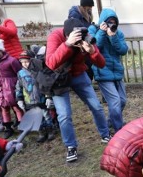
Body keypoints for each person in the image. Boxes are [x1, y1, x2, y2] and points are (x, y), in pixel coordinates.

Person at [45, 18, 111, 162]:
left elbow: (101, 63)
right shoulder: (56, 37)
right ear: (66, 34)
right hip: (60, 78)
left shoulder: (85, 36)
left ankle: (105, 134)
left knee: (97, 106)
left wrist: (92, 51)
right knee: (64, 115)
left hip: (78, 74)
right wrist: (67, 44)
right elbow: (50, 63)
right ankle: (71, 146)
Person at [92, 8, 128, 133]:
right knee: (115, 101)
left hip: (117, 72)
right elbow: (95, 48)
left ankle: (111, 121)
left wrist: (113, 37)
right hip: (103, 72)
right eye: (109, 22)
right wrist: (102, 33)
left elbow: (123, 50)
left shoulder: (118, 34)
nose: (111, 25)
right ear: (103, 22)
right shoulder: (95, 30)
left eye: (114, 22)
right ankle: (119, 130)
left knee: (122, 100)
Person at [0, 38, 23, 139]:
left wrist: (16, 84)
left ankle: (21, 125)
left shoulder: (12, 61)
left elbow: (19, 73)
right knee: (3, 107)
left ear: (1, 50)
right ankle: (8, 127)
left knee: (15, 106)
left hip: (10, 86)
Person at [15, 50, 56, 143]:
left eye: (27, 61)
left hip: (41, 99)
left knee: (46, 115)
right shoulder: (21, 73)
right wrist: (19, 99)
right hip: (29, 101)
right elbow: (19, 87)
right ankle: (41, 131)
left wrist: (48, 97)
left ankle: (50, 130)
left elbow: (45, 84)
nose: (25, 64)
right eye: (22, 62)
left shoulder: (39, 71)